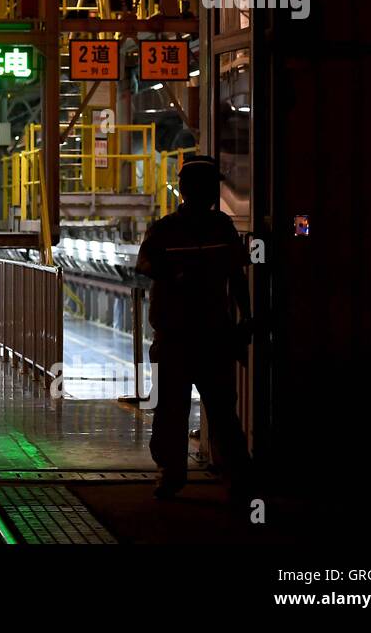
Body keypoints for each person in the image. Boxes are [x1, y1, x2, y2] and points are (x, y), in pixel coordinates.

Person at [135, 154, 254, 503]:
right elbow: (238, 276)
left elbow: (144, 264)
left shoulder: (169, 228)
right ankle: (235, 480)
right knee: (219, 412)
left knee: (174, 410)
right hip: (202, 336)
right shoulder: (211, 229)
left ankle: (172, 475)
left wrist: (244, 318)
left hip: (184, 337)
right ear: (190, 189)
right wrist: (244, 317)